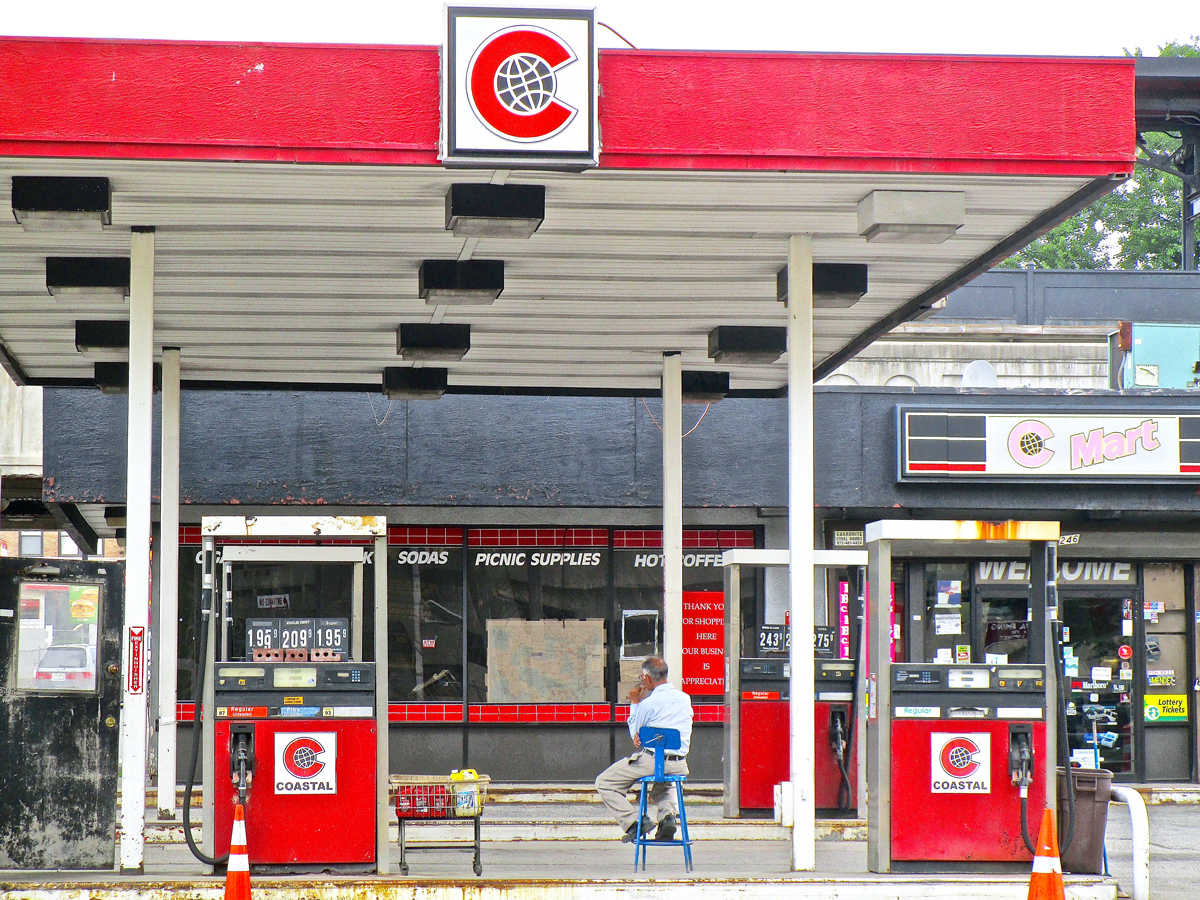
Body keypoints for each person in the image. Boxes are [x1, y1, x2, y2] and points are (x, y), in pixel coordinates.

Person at [594, 656, 693, 843]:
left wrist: (635, 703)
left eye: (642, 676)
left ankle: (634, 822)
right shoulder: (685, 699)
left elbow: (636, 737)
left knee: (604, 782)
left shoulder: (648, 703)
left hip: (652, 760)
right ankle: (667, 819)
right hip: (679, 763)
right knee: (664, 785)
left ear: (647, 677)